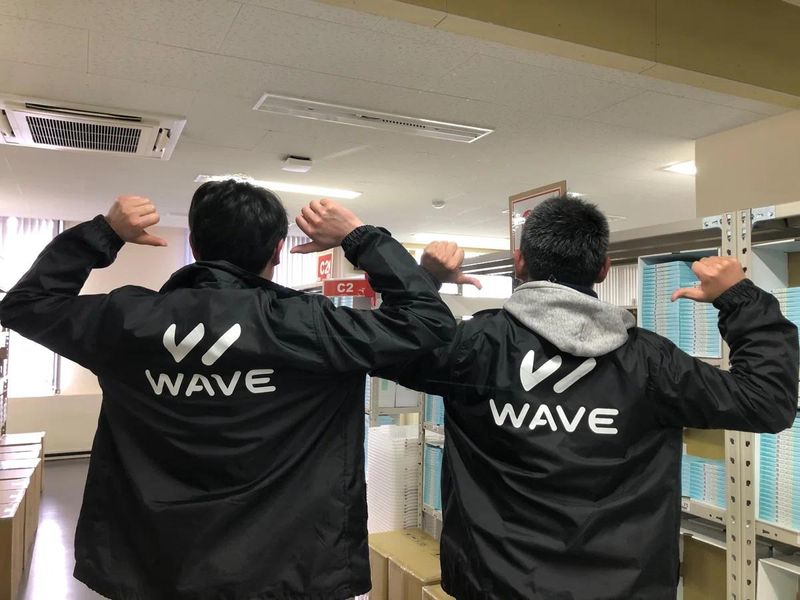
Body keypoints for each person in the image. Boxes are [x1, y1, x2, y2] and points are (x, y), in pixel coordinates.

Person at [0, 180, 458, 600]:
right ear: (278, 251)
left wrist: (103, 233)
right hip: (290, 572)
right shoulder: (312, 327)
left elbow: (25, 304)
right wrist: (360, 238)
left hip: (152, 568)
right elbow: (427, 320)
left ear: (195, 245)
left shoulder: (127, 321)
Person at [378, 195, 799, 600]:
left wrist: (426, 280)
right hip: (624, 588)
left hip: (495, 582)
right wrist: (739, 298)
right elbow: (767, 401)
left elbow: (382, 346)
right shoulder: (652, 362)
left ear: (520, 262)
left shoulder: (474, 347)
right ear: (603, 269)